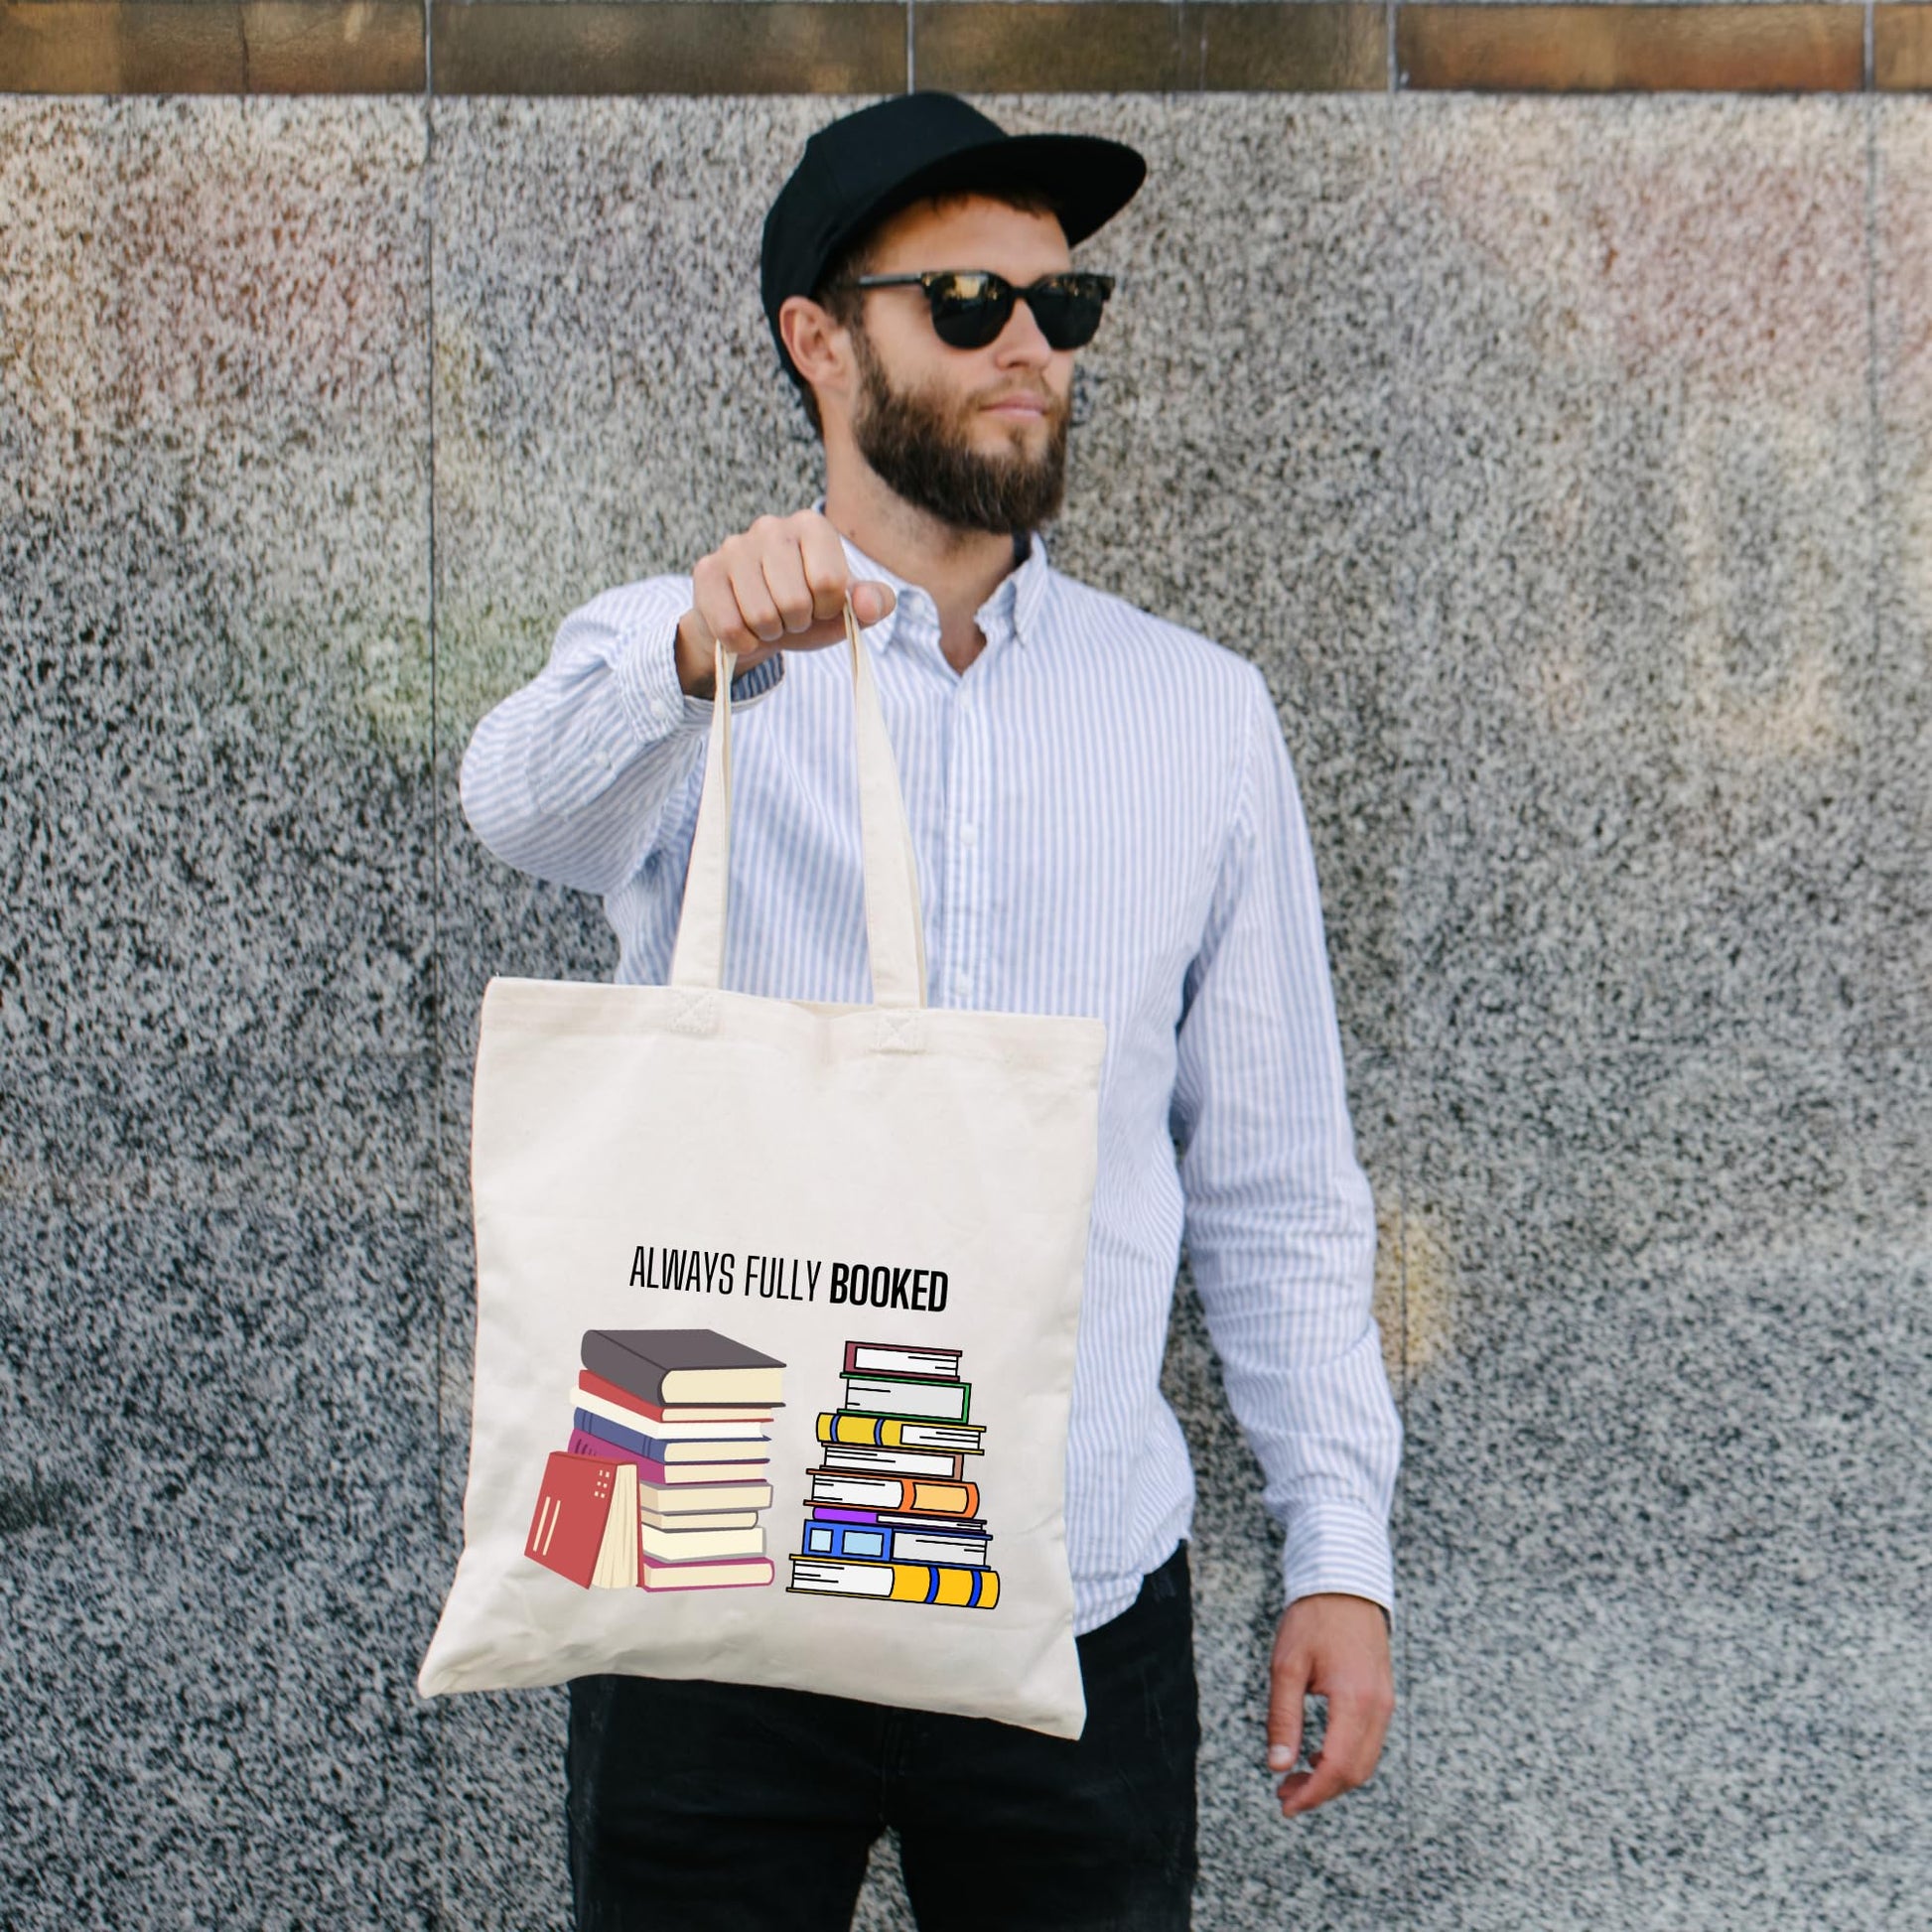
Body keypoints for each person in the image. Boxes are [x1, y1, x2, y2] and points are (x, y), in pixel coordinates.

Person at [460, 90, 1401, 1932]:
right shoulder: (686, 647)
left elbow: (1276, 1180)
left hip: (1077, 1576)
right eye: (968, 303)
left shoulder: (1195, 713)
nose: (1031, 346)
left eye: (1065, 305)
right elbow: (516, 806)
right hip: (707, 1559)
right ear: (821, 342)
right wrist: (692, 656)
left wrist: (1339, 1549)